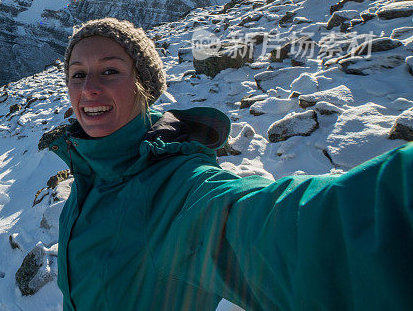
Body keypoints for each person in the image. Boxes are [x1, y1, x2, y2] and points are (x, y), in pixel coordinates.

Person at [47, 17, 413, 311]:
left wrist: (398, 199)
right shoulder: (93, 166)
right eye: (77, 74)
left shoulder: (177, 188)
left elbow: (285, 228)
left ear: (143, 85)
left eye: (109, 71)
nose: (88, 88)